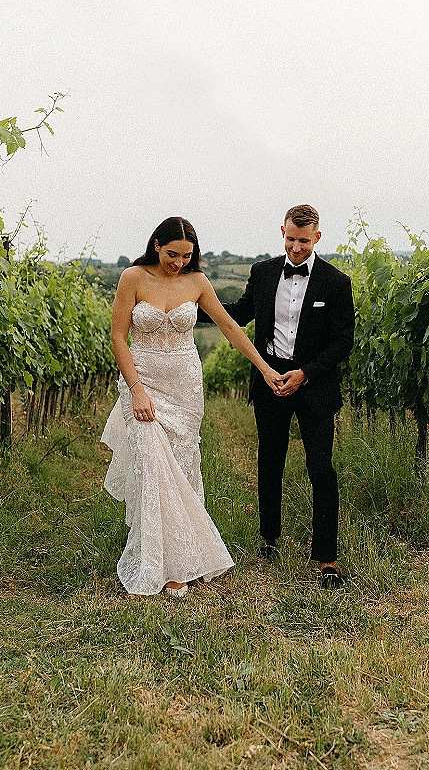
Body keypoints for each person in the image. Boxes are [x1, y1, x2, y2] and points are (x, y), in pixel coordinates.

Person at [100, 217, 281, 597]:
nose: (178, 262)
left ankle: (184, 555)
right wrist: (135, 388)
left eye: (186, 256)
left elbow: (231, 328)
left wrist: (264, 369)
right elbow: (118, 336)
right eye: (172, 254)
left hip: (184, 385)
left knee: (179, 468)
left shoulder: (197, 283)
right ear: (155, 245)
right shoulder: (132, 278)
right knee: (152, 464)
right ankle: (163, 565)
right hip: (144, 380)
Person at [199, 204, 355, 588]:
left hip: (313, 387)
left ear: (317, 238)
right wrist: (191, 302)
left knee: (321, 468)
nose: (296, 247)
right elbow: (239, 312)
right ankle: (270, 540)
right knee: (270, 462)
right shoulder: (263, 272)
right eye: (290, 238)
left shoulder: (336, 282)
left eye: (303, 240)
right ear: (281, 232)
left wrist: (305, 373)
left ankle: (327, 559)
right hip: (269, 383)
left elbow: (342, 341)